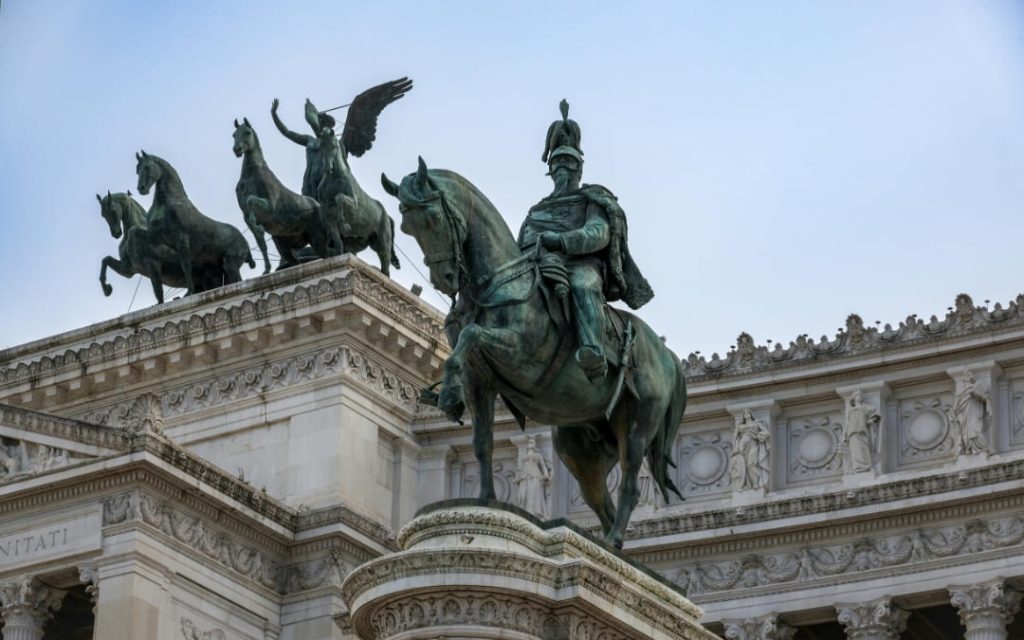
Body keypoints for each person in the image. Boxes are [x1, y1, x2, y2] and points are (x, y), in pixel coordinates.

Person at [518, 100, 653, 382]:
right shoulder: (536, 209)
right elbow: (522, 241)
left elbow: (598, 233)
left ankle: (592, 349)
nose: (561, 169)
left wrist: (561, 240)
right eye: (556, 164)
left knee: (582, 285)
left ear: (579, 169)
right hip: (539, 264)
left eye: (568, 163)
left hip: (581, 265)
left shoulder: (592, 197)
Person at [732, 409, 770, 490]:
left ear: (750, 414)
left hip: (753, 445)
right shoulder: (740, 426)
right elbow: (735, 437)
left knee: (751, 464)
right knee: (743, 466)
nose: (746, 414)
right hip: (742, 447)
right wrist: (735, 447)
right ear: (743, 416)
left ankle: (756, 483)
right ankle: (746, 484)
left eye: (748, 413)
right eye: (744, 413)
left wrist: (761, 436)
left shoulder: (756, 423)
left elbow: (766, 432)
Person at [844, 390, 880, 473]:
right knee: (855, 449)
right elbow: (847, 422)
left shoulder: (866, 407)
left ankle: (865, 465)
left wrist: (871, 420)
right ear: (854, 399)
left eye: (860, 395)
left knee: (863, 447)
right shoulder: (851, 410)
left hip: (862, 430)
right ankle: (858, 467)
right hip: (852, 432)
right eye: (857, 395)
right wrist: (844, 434)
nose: (860, 397)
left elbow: (875, 414)